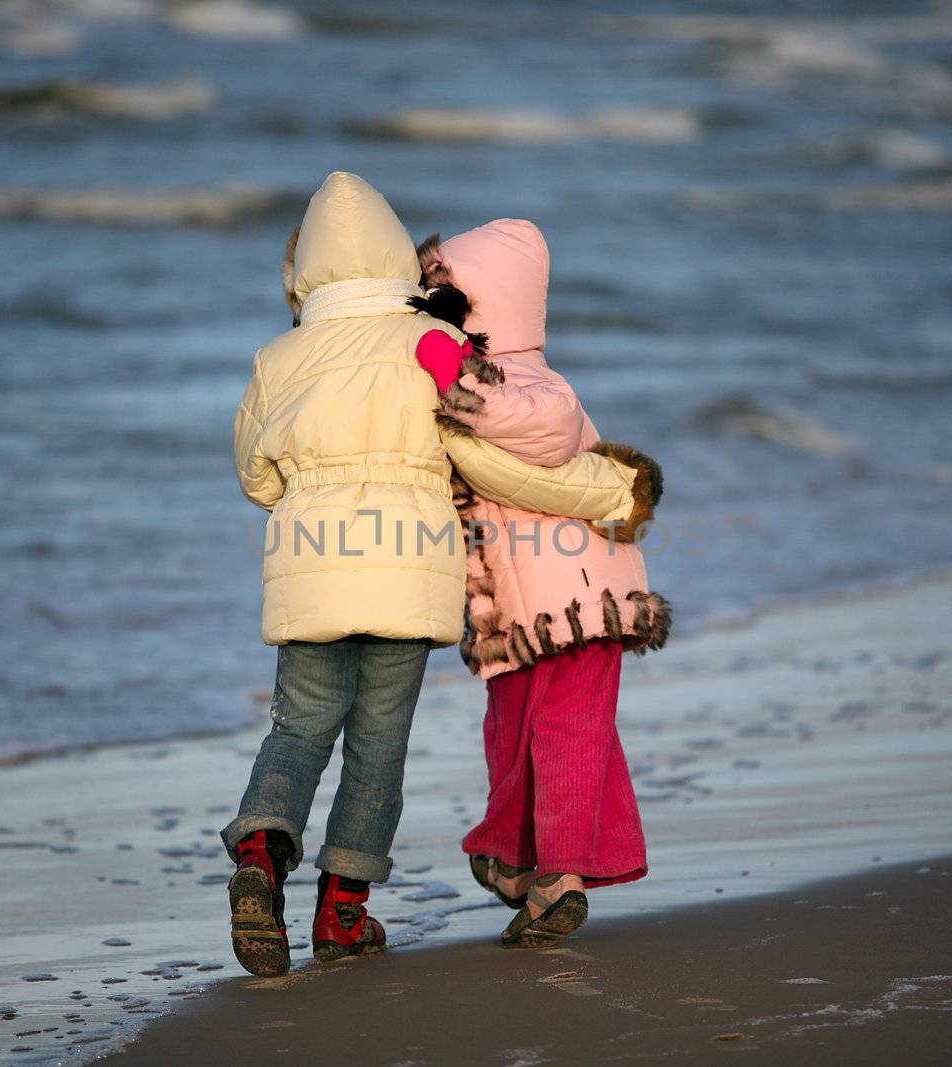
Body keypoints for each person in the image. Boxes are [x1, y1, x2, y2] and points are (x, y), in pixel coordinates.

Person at [225, 174, 654, 976]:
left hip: (309, 573)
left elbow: (255, 473)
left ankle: (261, 845)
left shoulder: (277, 357)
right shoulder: (433, 352)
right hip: (409, 577)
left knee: (300, 724)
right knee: (378, 744)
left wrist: (304, 499)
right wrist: (615, 487)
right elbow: (488, 456)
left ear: (305, 273)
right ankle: (342, 914)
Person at [412, 219, 672, 948]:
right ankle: (519, 858)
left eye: (441, 294)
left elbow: (540, 431)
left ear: (483, 303)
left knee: (565, 728)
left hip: (579, 597)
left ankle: (558, 873)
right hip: (521, 604)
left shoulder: (530, 383)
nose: (431, 307)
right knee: (514, 727)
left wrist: (449, 375)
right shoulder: (495, 375)